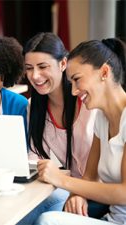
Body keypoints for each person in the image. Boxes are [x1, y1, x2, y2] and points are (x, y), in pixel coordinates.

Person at [34, 38, 126, 225]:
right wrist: (77, 195)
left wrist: (61, 179)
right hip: (111, 218)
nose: (74, 91)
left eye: (77, 80)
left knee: (47, 221)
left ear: (104, 72)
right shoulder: (102, 117)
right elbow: (90, 176)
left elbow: (124, 194)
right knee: (45, 206)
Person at [17, 32, 98, 224]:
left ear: (63, 64)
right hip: (70, 189)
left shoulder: (90, 103)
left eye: (43, 67)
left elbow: (104, 168)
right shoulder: (33, 106)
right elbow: (34, 158)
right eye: (29, 68)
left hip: (98, 193)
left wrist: (80, 192)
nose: (35, 76)